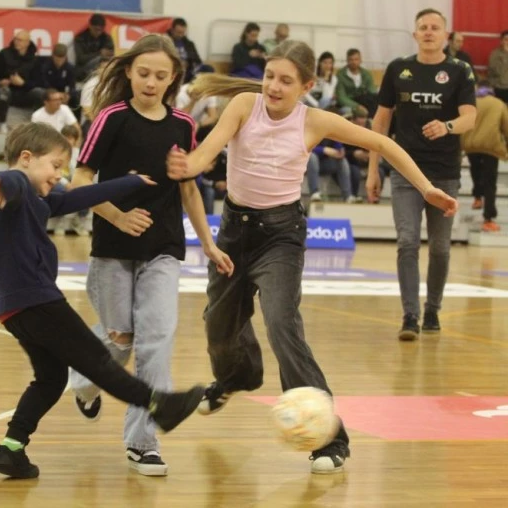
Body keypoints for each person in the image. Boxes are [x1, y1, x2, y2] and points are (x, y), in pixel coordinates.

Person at [164, 39, 458, 474]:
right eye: (269, 77)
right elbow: (207, 153)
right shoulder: (245, 105)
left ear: (307, 85)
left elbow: (385, 143)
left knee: (283, 323)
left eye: (286, 81)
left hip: (281, 235)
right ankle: (238, 377)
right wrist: (189, 165)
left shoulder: (316, 120)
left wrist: (425, 186)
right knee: (218, 327)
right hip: (233, 232)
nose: (274, 87)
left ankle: (332, 436)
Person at [0, 122, 205, 479]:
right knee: (96, 359)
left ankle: (10, 448)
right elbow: (13, 179)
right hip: (38, 301)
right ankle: (160, 404)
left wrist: (131, 181)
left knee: (50, 379)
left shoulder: (35, 200)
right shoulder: (11, 186)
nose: (59, 175)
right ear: (27, 158)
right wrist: (5, 183)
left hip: (14, 309)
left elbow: (76, 198)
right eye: (55, 165)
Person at [68, 34, 233, 477]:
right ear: (128, 73)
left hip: (163, 247)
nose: (151, 81)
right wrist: (118, 216)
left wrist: (209, 242)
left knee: (156, 340)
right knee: (120, 336)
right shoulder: (111, 118)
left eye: (161, 75)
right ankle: (83, 382)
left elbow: (188, 188)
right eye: (143, 73)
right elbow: (80, 180)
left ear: (173, 79)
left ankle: (144, 443)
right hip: (112, 246)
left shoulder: (183, 124)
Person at [367, 8, 476, 341]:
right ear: (415, 35)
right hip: (405, 172)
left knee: (441, 248)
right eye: (423, 28)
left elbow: (470, 118)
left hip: (444, 173)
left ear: (446, 35)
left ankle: (433, 309)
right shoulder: (399, 69)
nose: (429, 32)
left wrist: (446, 127)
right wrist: (373, 169)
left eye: (435, 28)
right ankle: (410, 315)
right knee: (407, 242)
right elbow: (380, 123)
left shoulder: (460, 71)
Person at [461, 81, 508, 233]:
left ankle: (477, 198)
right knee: (490, 182)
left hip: (471, 145)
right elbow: (506, 126)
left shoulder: (470, 103)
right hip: (490, 146)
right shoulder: (498, 104)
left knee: (476, 170)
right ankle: (488, 219)